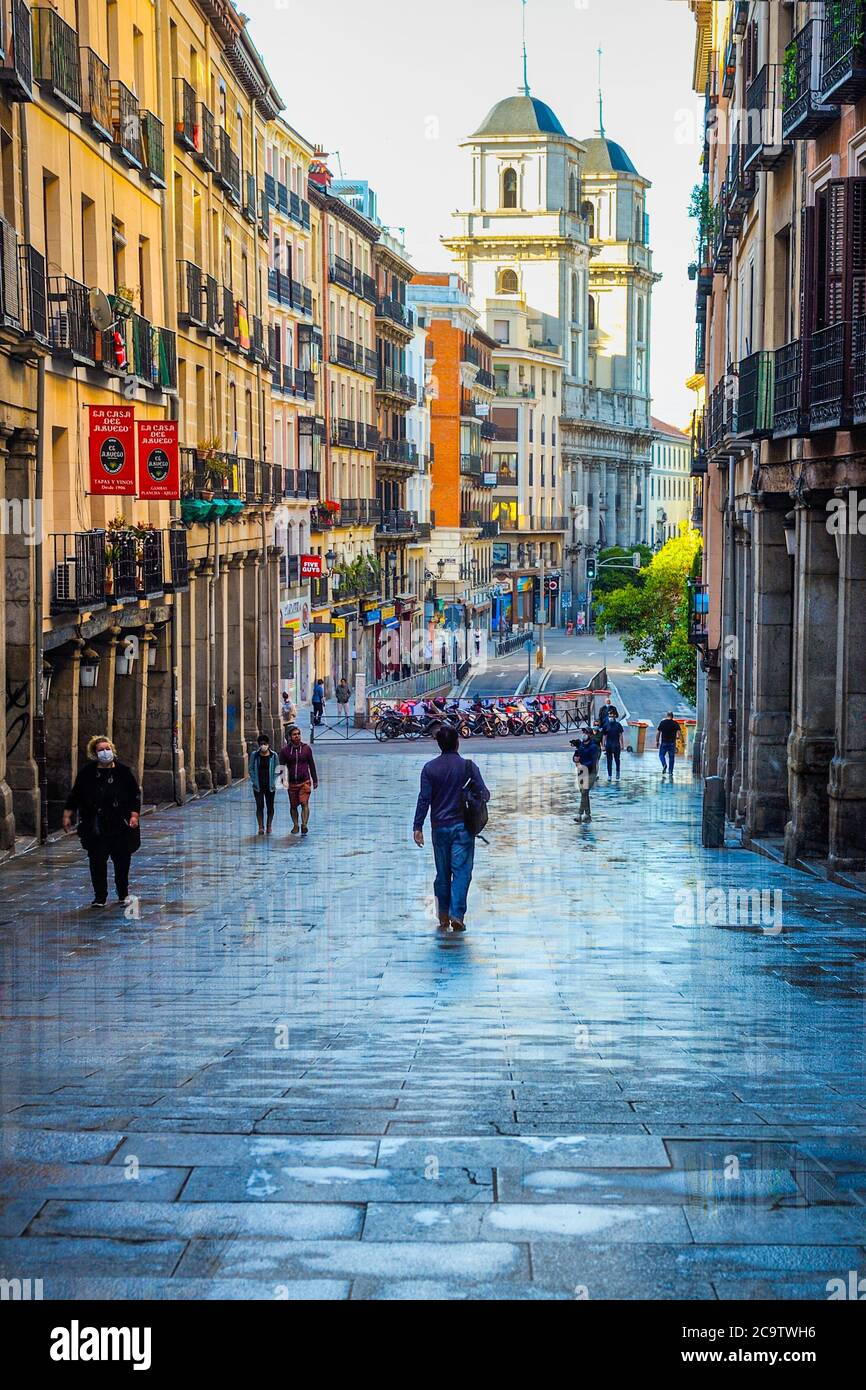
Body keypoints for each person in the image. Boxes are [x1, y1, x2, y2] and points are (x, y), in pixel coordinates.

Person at [413, 724, 490, 934]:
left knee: (442, 873)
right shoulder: (468, 767)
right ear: (457, 742)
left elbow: (424, 799)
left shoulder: (429, 768)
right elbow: (485, 794)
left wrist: (417, 826)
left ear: (439, 744)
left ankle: (443, 914)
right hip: (463, 827)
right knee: (462, 871)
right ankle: (457, 914)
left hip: (439, 827)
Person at [62, 736, 141, 908]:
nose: (105, 752)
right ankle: (100, 897)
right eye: (100, 750)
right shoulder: (87, 773)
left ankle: (123, 893)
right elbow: (75, 795)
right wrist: (68, 815)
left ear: (112, 750)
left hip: (120, 824)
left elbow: (134, 795)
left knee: (122, 862)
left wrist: (134, 816)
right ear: (94, 753)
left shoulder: (123, 772)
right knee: (97, 861)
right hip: (96, 826)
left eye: (107, 748)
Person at [280, 725, 319, 835]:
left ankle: (304, 824)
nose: (297, 736)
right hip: (292, 782)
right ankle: (295, 824)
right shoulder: (285, 751)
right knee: (293, 805)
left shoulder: (306, 749)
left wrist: (315, 780)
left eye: (298, 734)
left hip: (304, 781)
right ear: (290, 737)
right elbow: (281, 766)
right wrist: (282, 780)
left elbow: (311, 764)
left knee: (304, 803)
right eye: (294, 734)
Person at [249, 733, 278, 836]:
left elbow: (277, 769)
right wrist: (254, 780)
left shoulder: (274, 755)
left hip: (270, 785)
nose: (263, 746)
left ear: (268, 744)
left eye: (265, 743)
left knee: (270, 806)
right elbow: (251, 768)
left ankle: (269, 825)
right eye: (261, 744)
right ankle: (261, 826)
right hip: (258, 785)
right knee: (259, 805)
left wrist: (274, 781)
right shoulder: (255, 755)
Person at [572, 726, 601, 824]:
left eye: (586, 733)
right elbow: (576, 755)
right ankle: (588, 815)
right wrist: (575, 759)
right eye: (583, 732)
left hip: (591, 772)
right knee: (584, 793)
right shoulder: (581, 745)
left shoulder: (594, 747)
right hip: (582, 772)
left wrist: (581, 764)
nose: (584, 734)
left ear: (590, 735)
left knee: (584, 791)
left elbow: (593, 762)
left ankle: (579, 814)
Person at [602, 706, 626, 780]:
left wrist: (622, 745)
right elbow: (604, 736)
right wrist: (603, 745)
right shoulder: (606, 725)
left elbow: (621, 735)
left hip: (616, 745)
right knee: (609, 760)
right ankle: (609, 775)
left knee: (617, 760)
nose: (610, 717)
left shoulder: (618, 725)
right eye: (609, 716)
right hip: (608, 745)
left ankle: (618, 772)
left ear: (615, 716)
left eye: (611, 715)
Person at [657, 711, 681, 778]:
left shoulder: (663, 723)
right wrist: (679, 739)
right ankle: (670, 772)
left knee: (661, 755)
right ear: (672, 716)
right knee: (671, 757)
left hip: (664, 742)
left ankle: (664, 764)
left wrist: (657, 741)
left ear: (667, 716)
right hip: (672, 743)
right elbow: (679, 733)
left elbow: (658, 732)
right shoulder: (675, 723)